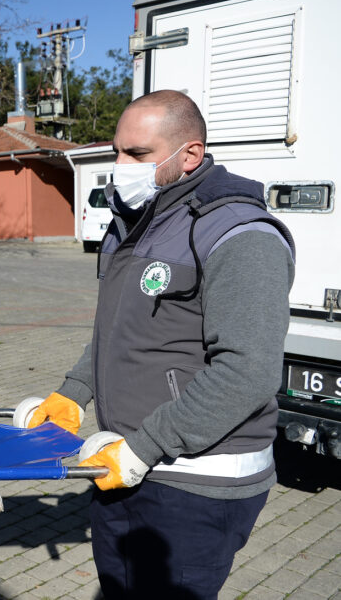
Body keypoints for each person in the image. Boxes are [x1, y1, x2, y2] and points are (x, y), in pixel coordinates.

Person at [20, 90, 295, 599]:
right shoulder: (137, 223)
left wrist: (144, 448)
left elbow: (247, 372)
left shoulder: (239, 234)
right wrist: (72, 394)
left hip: (194, 485)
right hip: (127, 466)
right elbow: (119, 331)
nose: (120, 167)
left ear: (188, 155)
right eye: (117, 152)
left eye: (138, 155)